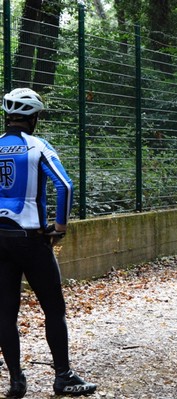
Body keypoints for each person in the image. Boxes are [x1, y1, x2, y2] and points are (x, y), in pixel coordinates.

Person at [0, 88, 97, 397]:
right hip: (31, 239)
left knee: (4, 313)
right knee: (53, 309)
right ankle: (63, 376)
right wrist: (60, 227)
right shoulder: (37, 146)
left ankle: (16, 381)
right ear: (33, 119)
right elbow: (64, 186)